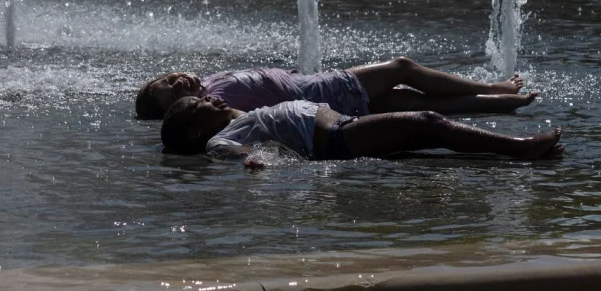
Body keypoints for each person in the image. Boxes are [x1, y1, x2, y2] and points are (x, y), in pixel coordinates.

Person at [161, 96, 564, 167]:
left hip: (343, 131)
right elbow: (227, 153)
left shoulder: (233, 119)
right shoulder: (217, 139)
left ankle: (520, 151)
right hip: (339, 138)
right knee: (427, 122)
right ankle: (521, 147)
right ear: (195, 132)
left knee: (430, 137)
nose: (211, 101)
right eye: (201, 107)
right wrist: (255, 161)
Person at [135, 57, 537, 120]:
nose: (177, 82)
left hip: (322, 92)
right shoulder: (210, 102)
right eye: (171, 92)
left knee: (416, 104)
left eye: (169, 78)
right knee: (402, 68)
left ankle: (497, 105)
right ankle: (492, 87)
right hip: (328, 90)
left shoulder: (209, 83)